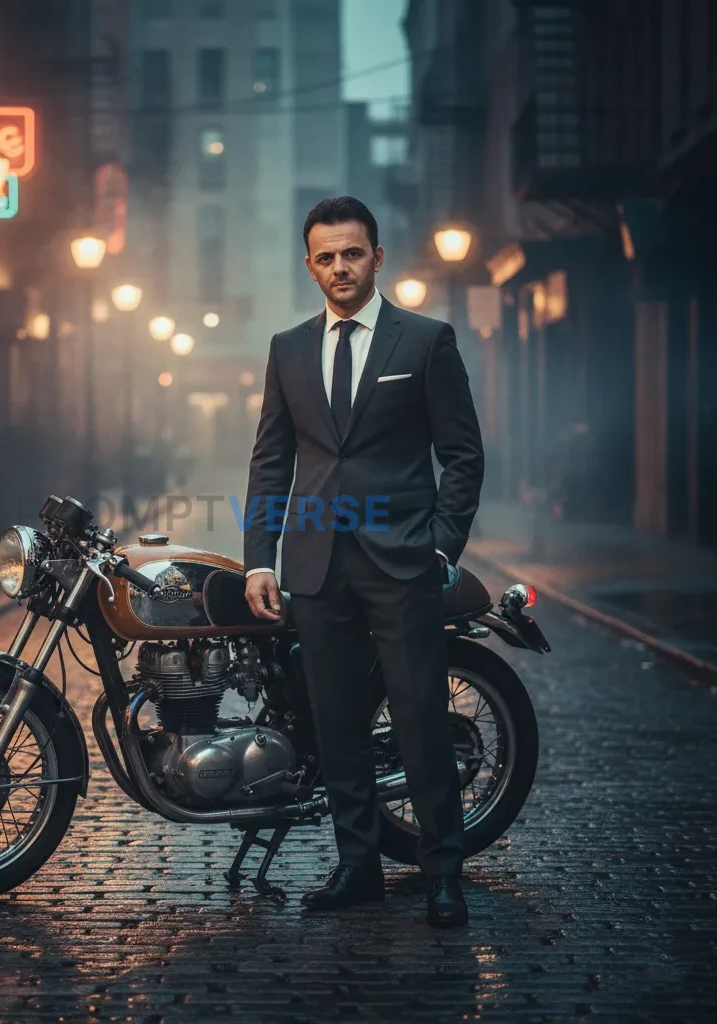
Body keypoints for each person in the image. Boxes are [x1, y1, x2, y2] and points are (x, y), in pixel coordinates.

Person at [243, 196, 484, 925]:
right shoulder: (288, 348)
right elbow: (270, 462)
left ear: (377, 257)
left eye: (353, 253)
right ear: (309, 265)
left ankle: (444, 872)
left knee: (419, 719)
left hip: (402, 562)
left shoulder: (424, 341)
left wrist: (441, 545)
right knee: (335, 723)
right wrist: (260, 560)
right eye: (326, 256)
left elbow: (463, 455)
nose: (340, 267)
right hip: (315, 567)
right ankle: (358, 868)